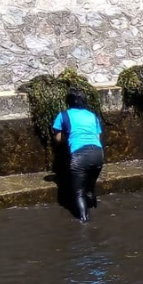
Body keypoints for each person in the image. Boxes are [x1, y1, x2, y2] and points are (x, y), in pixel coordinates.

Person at [51, 87, 104, 223]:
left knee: (79, 192)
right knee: (90, 189)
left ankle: (84, 221)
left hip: (80, 155)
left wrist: (68, 138)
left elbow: (57, 138)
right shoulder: (93, 115)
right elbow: (97, 137)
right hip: (98, 154)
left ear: (68, 101)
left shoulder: (63, 115)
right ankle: (95, 210)